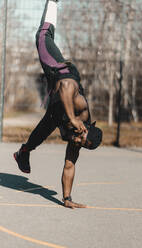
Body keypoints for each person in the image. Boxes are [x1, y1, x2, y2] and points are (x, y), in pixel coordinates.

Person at [13, 0, 102, 209]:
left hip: (55, 108)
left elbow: (69, 166)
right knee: (43, 36)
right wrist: (71, 118)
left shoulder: (77, 142)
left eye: (81, 143)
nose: (77, 140)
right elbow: (65, 87)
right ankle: (53, 1)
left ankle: (22, 153)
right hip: (60, 73)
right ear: (86, 126)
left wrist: (67, 199)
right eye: (81, 137)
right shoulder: (81, 109)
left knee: (40, 134)